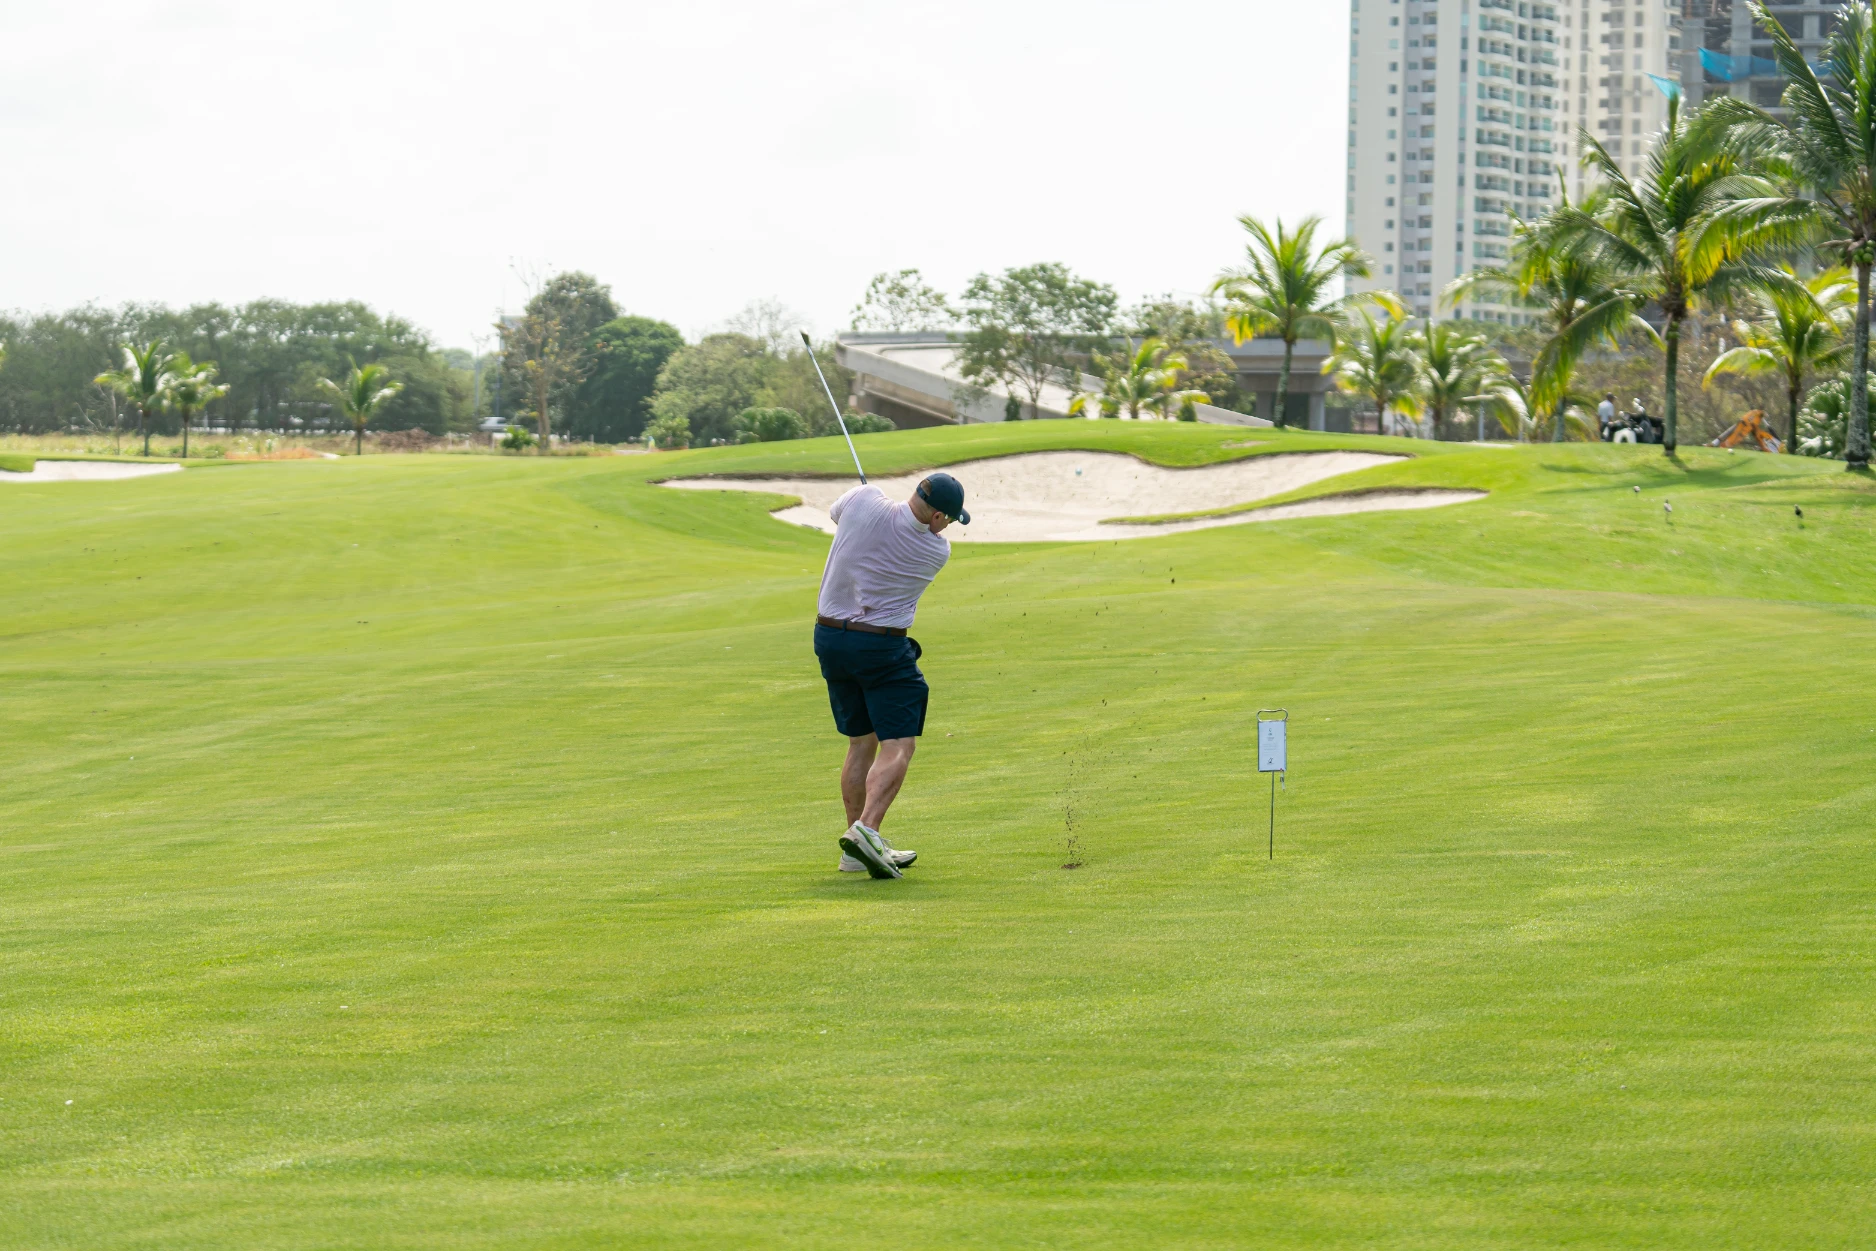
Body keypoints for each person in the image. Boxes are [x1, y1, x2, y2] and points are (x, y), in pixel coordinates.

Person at [812, 472, 970, 880]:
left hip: (829, 638)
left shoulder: (864, 500)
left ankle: (855, 848)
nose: (947, 528)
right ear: (937, 517)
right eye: (949, 520)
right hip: (880, 648)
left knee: (860, 742)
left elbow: (838, 514)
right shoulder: (935, 550)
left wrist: (868, 498)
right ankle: (866, 829)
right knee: (899, 744)